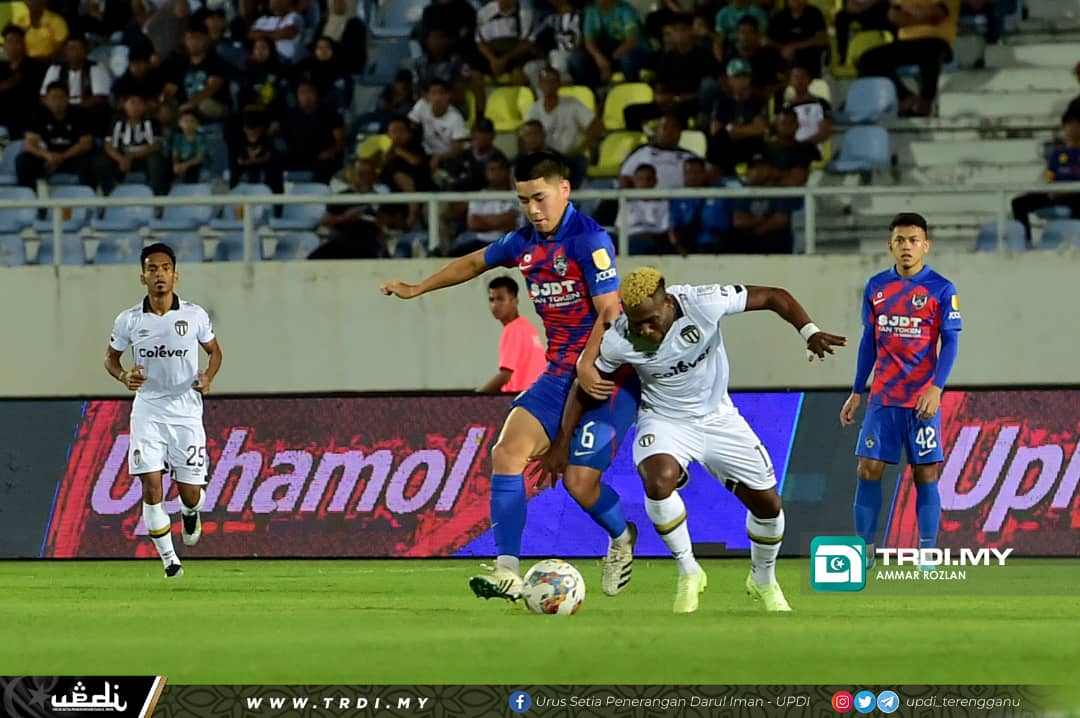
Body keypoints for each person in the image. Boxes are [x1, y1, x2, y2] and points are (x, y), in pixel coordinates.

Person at [381, 151, 641, 601]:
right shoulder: (523, 243)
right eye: (524, 201)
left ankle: (622, 537)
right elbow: (473, 262)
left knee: (580, 483)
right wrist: (417, 287)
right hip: (560, 374)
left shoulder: (589, 239)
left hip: (607, 376)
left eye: (539, 198)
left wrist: (587, 361)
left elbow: (610, 311)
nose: (533, 210)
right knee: (507, 453)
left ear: (565, 189)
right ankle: (507, 571)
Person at [539, 267, 846, 612]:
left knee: (769, 506)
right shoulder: (619, 339)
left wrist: (809, 331)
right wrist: (562, 443)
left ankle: (763, 579)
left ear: (668, 302)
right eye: (638, 323)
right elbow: (585, 388)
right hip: (664, 419)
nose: (645, 330)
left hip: (720, 418)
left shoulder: (703, 303)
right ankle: (688, 571)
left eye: (652, 320)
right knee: (658, 481)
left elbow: (775, 296)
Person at [839, 212, 962, 570]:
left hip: (922, 400)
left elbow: (950, 343)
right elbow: (868, 342)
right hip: (884, 399)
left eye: (913, 240)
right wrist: (856, 390)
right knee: (868, 468)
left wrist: (936, 388)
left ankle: (926, 551)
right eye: (899, 240)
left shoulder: (942, 288)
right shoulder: (876, 286)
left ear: (926, 245)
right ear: (890, 245)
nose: (906, 246)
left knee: (925, 472)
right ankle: (864, 550)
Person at [103, 243, 224, 579]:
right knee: (152, 487)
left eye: (165, 268)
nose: (159, 274)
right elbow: (110, 360)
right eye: (152, 269)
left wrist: (208, 377)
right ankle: (171, 562)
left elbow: (214, 353)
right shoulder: (128, 320)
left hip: (186, 411)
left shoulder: (195, 315)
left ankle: (190, 511)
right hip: (149, 410)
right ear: (142, 277)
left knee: (191, 494)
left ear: (175, 274)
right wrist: (124, 375)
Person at [477, 276, 546, 393]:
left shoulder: (512, 329)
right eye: (491, 300)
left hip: (521, 399)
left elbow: (505, 375)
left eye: (500, 299)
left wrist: (475, 396)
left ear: (515, 301)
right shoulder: (527, 327)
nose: (495, 305)